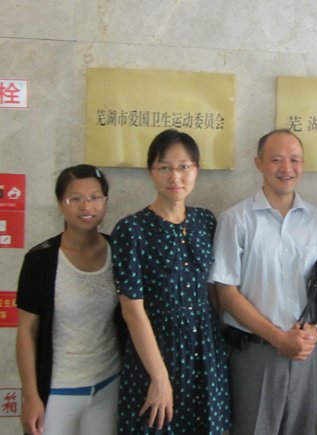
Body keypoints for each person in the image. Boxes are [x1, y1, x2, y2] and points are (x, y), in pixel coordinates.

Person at [210, 129, 317, 435]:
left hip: (306, 352)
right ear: (259, 163)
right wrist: (278, 338)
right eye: (276, 160)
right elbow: (226, 293)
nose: (286, 168)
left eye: (294, 160)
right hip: (253, 352)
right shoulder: (236, 219)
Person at [111, 129, 230, 434]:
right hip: (156, 351)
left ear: (196, 170)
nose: (175, 176)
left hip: (206, 350)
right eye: (164, 167)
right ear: (151, 171)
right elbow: (132, 310)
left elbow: (213, 290)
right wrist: (160, 378)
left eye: (184, 167)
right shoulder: (131, 229)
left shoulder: (205, 221)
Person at [16, 164, 125, 435]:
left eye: (95, 197)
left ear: (105, 201)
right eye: (75, 198)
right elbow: (27, 332)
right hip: (57, 390)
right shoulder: (40, 259)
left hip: (108, 385)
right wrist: (31, 396)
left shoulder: (119, 251)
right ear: (60, 203)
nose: (86, 206)